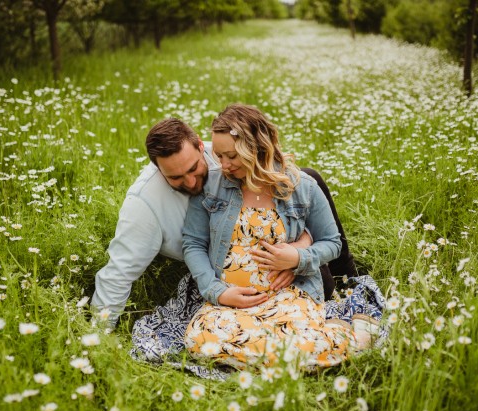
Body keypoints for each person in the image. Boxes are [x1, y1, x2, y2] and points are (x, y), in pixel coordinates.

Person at [91, 117, 360, 328]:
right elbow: (118, 274)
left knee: (308, 176)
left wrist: (299, 252)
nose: (192, 183)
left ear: (201, 146)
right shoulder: (143, 206)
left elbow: (288, 198)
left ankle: (350, 278)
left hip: (282, 264)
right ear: (157, 170)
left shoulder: (224, 158)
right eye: (175, 178)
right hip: (222, 276)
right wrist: (98, 337)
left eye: (194, 168)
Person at [182, 104, 377, 370]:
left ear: (256, 148)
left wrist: (297, 258)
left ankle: (325, 341)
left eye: (231, 156)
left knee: (287, 341)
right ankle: (335, 341)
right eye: (218, 156)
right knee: (201, 340)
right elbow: (193, 243)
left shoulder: (302, 187)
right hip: (228, 305)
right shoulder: (212, 187)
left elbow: (333, 243)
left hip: (289, 296)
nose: (223, 165)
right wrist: (217, 292)